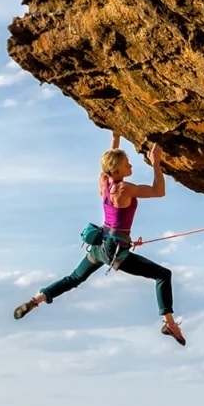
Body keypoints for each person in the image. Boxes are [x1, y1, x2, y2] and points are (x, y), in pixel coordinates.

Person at [13, 134, 185, 346]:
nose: (130, 165)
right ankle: (169, 323)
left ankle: (36, 300)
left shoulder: (104, 182)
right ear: (116, 171)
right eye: (126, 164)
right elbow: (159, 192)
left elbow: (106, 165)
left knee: (74, 278)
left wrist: (115, 138)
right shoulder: (124, 189)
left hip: (99, 243)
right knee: (163, 274)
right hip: (114, 248)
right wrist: (156, 162)